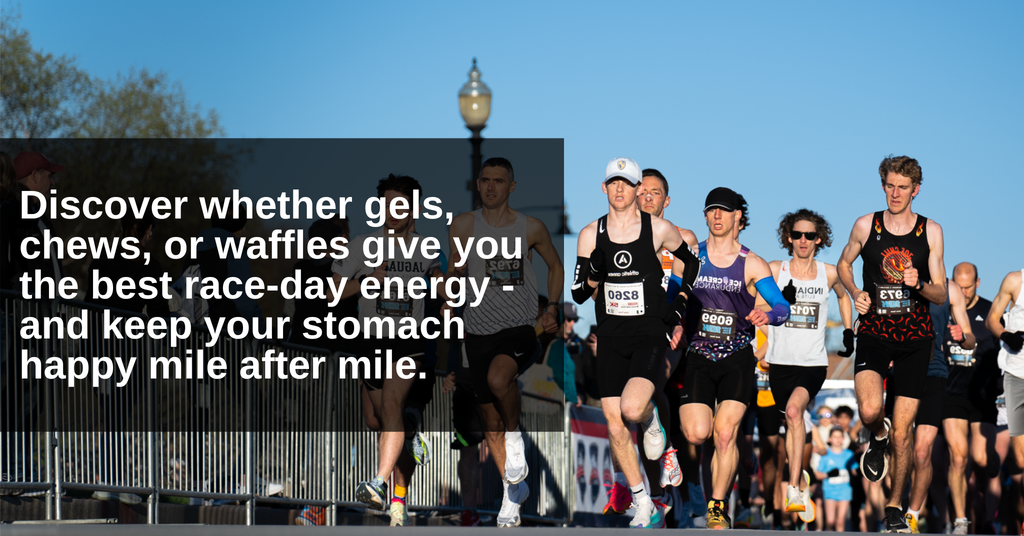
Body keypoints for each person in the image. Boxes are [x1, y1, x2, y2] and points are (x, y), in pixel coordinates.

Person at [571, 157, 699, 529]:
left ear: (636, 189)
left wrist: (678, 305)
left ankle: (650, 418)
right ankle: (644, 502)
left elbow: (690, 263)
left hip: (647, 335)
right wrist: (594, 271)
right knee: (614, 427)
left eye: (627, 183)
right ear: (604, 188)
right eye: (614, 183)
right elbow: (579, 294)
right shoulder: (589, 234)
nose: (621, 190)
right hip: (610, 336)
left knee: (631, 409)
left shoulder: (658, 228)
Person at [446, 157, 563, 527]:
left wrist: (553, 306)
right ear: (477, 185)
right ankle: (512, 497)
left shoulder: (531, 227)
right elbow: (455, 269)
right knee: (489, 420)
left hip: (519, 328)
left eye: (499, 181)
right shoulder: (463, 226)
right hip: (477, 329)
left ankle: (517, 442)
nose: (491, 186)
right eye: (485, 180)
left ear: (512, 186)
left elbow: (555, 266)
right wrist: (452, 287)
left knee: (500, 380)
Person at [837, 155, 947, 532]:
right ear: (883, 185)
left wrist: (919, 284)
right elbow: (844, 263)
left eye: (903, 187)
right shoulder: (866, 224)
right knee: (870, 410)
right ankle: (876, 435)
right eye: (889, 185)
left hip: (916, 338)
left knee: (905, 431)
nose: (895, 193)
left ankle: (895, 507)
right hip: (875, 331)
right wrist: (855, 292)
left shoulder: (930, 231)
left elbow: (941, 293)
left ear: (915, 189)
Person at [677, 186, 791, 529]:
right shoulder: (691, 256)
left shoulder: (751, 263)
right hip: (697, 355)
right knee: (698, 434)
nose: (716, 216)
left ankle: (717, 504)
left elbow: (783, 307)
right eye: (711, 209)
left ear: (738, 217)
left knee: (725, 434)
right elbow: (670, 293)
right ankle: (697, 478)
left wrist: (767, 316)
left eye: (724, 211)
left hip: (736, 358)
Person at [335, 174, 444, 524]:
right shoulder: (362, 246)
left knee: (393, 406)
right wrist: (368, 280)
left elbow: (442, 279)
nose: (391, 211)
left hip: (408, 340)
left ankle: (385, 487)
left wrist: (444, 286)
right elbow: (330, 292)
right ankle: (410, 434)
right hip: (369, 339)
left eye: (399, 204)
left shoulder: (427, 248)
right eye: (386, 204)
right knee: (377, 419)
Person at [759, 208, 854, 521]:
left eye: (810, 235)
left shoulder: (827, 273)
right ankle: (799, 479)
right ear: (789, 237)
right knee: (791, 422)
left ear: (819, 239)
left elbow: (843, 295)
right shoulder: (775, 269)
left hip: (812, 364)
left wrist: (849, 330)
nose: (803, 240)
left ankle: (795, 485)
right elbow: (755, 303)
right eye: (797, 234)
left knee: (795, 412)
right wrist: (774, 304)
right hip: (779, 363)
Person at [635, 168, 699, 505]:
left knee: (653, 383)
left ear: (667, 200)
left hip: (670, 330)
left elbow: (681, 282)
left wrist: (675, 319)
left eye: (655, 192)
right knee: (633, 411)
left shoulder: (682, 237)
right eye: (642, 191)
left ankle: (671, 452)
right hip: (631, 330)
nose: (647, 197)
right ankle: (654, 496)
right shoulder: (620, 235)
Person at [903, 281, 976, 534]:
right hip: (902, 372)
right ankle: (894, 508)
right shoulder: (899, 276)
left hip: (936, 374)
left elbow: (970, 339)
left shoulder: (951, 289)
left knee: (924, 453)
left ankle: (914, 515)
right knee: (899, 447)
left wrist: (963, 337)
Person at [944, 262, 1004, 532]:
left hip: (982, 396)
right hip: (951, 394)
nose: (964, 292)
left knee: (981, 459)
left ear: (977, 283)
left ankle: (988, 510)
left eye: (968, 287)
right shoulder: (943, 310)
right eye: (959, 286)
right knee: (958, 457)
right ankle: (960, 520)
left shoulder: (991, 313)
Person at [987, 269, 1024, 519]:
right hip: (1017, 374)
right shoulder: (1015, 280)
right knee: (1021, 460)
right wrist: (1006, 335)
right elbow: (992, 318)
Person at [815, 427, 859, 532]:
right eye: (835, 437)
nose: (838, 439)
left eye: (840, 437)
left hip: (845, 491)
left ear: (843, 438)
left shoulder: (848, 454)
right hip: (829, 491)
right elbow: (817, 474)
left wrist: (855, 471)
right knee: (830, 521)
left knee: (840, 522)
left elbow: (855, 471)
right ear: (830, 439)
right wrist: (828, 474)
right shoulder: (826, 455)